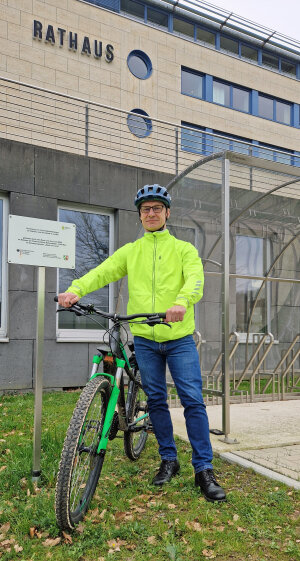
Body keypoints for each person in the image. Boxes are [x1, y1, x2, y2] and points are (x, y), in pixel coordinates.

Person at [58, 184, 226, 502]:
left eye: (157, 208)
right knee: (157, 403)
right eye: (145, 209)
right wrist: (76, 289)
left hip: (178, 339)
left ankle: (203, 469)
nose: (151, 213)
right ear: (140, 215)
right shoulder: (130, 252)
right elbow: (102, 271)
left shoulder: (183, 250)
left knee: (192, 401)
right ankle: (169, 460)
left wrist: (181, 301)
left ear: (167, 213)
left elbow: (195, 279)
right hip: (145, 341)